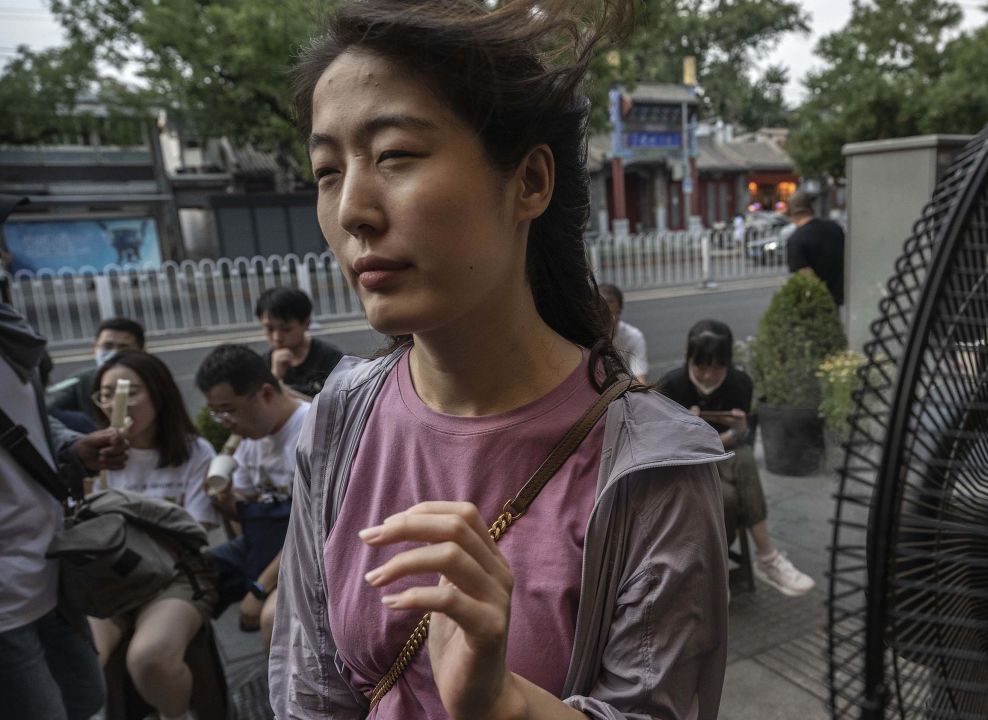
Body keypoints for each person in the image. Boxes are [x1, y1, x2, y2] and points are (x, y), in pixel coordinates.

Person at [270, 1, 729, 717]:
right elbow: (313, 694)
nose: (353, 208)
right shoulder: (340, 420)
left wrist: (502, 704)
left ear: (530, 182)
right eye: (328, 171)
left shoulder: (653, 471)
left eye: (394, 154)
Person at [0, 301, 129, 720]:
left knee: (86, 699)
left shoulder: (10, 334)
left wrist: (69, 448)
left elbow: (23, 420)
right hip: (5, 598)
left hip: (48, 567)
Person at [86, 349, 219, 720]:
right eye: (107, 394)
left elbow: (195, 532)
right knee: (84, 660)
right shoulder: (95, 457)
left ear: (159, 394)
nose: (117, 403)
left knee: (149, 657)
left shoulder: (195, 453)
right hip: (109, 576)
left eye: (129, 391)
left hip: (175, 575)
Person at [657, 320, 816, 597]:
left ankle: (760, 561)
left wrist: (738, 431)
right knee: (728, 499)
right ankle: (740, 565)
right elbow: (662, 448)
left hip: (722, 453)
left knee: (743, 456)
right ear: (689, 359)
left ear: (728, 363)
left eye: (717, 367)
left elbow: (739, 439)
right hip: (684, 465)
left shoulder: (740, 383)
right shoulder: (671, 385)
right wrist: (688, 432)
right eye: (701, 366)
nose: (708, 376)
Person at [196, 344, 309, 650]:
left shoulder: (310, 434)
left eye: (229, 410)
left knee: (271, 618)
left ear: (266, 394)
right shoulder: (252, 436)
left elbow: (312, 530)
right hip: (265, 542)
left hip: (306, 552)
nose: (225, 422)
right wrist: (225, 498)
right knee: (187, 576)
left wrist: (260, 587)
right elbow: (246, 509)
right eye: (216, 413)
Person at [255, 286, 345, 397]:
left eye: (286, 329)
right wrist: (274, 376)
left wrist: (279, 387)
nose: (277, 337)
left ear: (306, 324)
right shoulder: (264, 364)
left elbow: (335, 404)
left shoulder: (329, 358)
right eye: (269, 329)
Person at [47, 317, 146, 417]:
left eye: (123, 347)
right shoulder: (81, 381)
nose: (115, 353)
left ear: (141, 351)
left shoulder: (154, 379)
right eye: (108, 346)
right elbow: (48, 406)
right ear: (94, 348)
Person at [785, 190, 845, 306]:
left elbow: (806, 277)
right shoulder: (835, 228)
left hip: (815, 304)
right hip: (839, 297)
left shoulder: (796, 240)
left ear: (791, 215)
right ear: (812, 208)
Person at [598, 283, 647, 382]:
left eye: (611, 314)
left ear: (620, 309)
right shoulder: (585, 336)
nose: (607, 321)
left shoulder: (634, 336)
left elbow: (640, 379)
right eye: (602, 315)